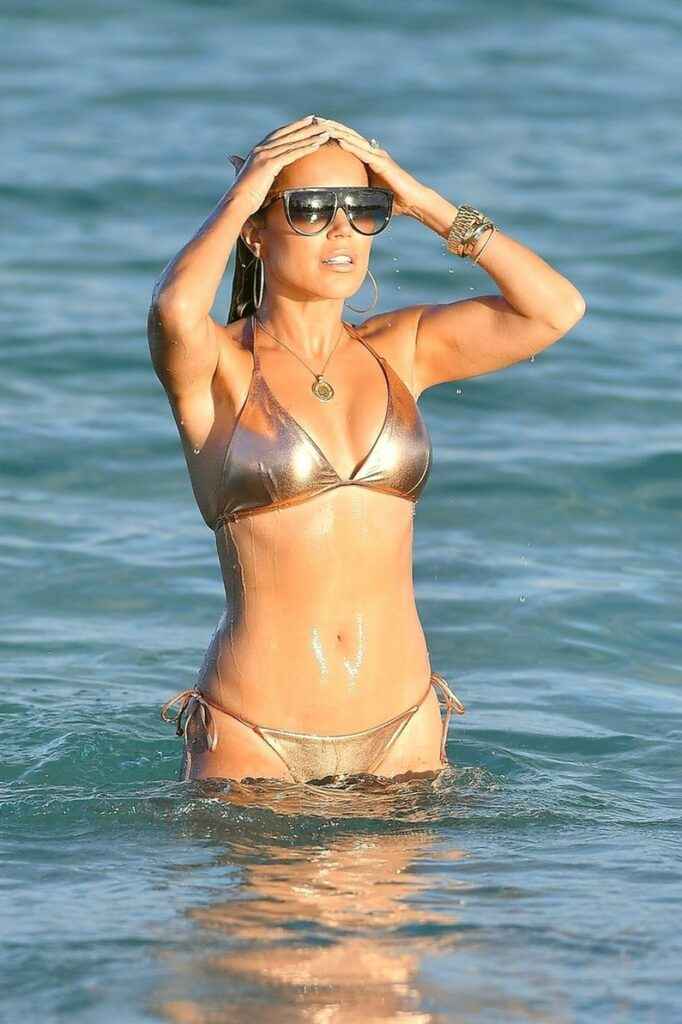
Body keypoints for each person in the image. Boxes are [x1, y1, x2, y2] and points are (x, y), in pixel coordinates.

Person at [147, 114, 585, 784]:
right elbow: (175, 310)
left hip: (403, 727)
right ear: (257, 231)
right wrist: (243, 193)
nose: (342, 230)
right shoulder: (220, 367)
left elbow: (555, 309)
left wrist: (424, 201)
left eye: (364, 209)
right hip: (256, 731)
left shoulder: (401, 349)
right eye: (310, 209)